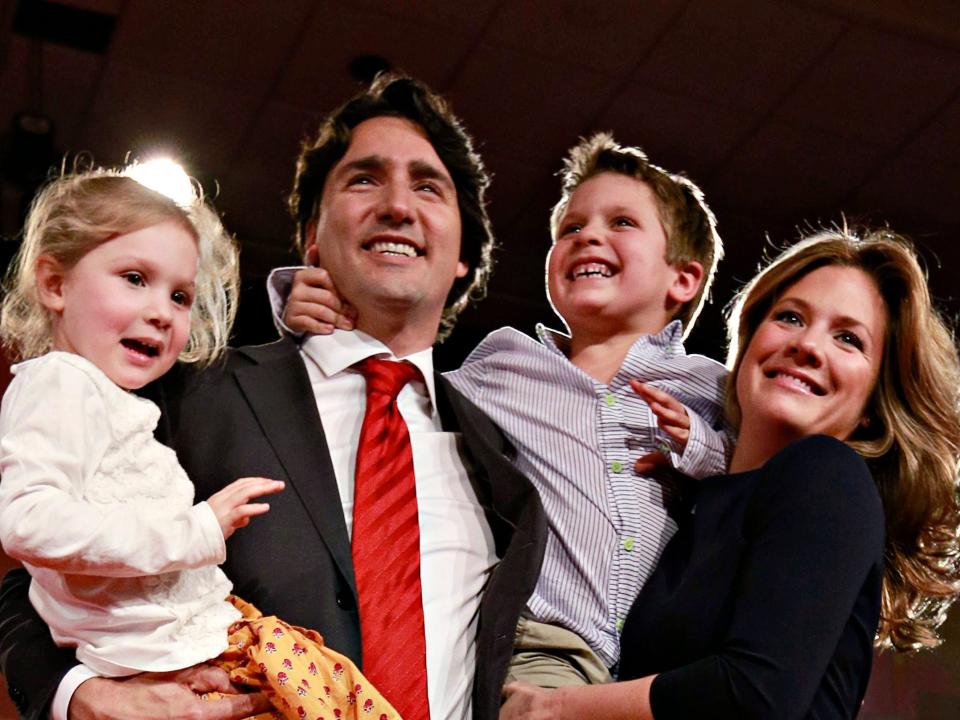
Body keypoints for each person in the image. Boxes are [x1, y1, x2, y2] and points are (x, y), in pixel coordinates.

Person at [0, 75, 546, 720]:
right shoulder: (186, 391)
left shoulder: (506, 449)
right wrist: (81, 697)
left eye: (429, 186)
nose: (399, 206)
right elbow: (27, 586)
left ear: (464, 256)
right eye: (364, 179)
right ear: (312, 235)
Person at [275, 132, 727, 686]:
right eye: (571, 228)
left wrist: (700, 449)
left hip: (667, 657)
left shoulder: (711, 387)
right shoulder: (507, 362)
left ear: (683, 278)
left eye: (621, 224)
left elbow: (760, 482)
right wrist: (308, 309)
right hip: (545, 643)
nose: (589, 238)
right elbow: (396, 392)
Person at [499, 228, 960, 719]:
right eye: (790, 317)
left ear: (871, 406)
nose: (807, 344)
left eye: (848, 339)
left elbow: (754, 694)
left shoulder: (828, 473)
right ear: (746, 346)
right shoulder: (697, 510)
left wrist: (557, 706)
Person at [0, 169, 401, 720]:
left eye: (181, 295)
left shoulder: (116, 400)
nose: (163, 311)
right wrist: (196, 530)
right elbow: (28, 523)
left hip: (209, 640)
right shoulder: (58, 384)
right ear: (54, 284)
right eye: (135, 277)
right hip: (177, 661)